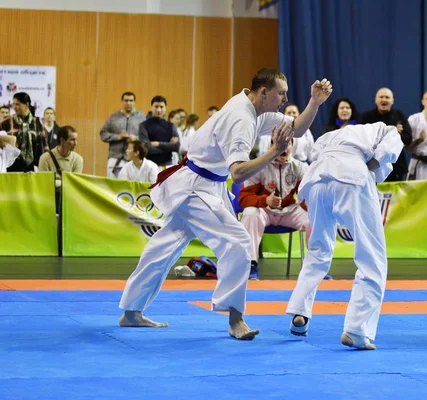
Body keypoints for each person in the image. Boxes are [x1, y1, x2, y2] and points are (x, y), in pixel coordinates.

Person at [118, 68, 332, 341]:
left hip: (204, 181)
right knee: (239, 242)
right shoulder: (241, 119)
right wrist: (274, 151)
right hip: (198, 187)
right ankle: (235, 318)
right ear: (264, 92)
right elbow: (239, 173)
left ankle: (132, 311)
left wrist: (314, 102)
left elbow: (296, 130)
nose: (285, 98)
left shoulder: (255, 107)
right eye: (281, 93)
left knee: (166, 245)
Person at [286, 122, 403, 350]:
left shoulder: (331, 135)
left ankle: (299, 313)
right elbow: (390, 148)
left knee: (318, 249)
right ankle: (357, 329)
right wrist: (368, 165)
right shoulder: (383, 128)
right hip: (351, 175)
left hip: (317, 180)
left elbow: (315, 154)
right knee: (372, 255)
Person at [239, 138, 311, 280]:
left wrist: (311, 207)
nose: (284, 147)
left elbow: (307, 198)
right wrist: (265, 200)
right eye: (278, 144)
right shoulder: (258, 166)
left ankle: (317, 268)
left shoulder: (300, 167)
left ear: (292, 146)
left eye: (287, 144)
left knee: (315, 218)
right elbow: (243, 198)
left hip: (289, 210)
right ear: (271, 146)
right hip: (264, 210)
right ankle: (250, 266)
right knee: (250, 213)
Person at [361, 87, 412, 181]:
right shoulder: (366, 117)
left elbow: (408, 139)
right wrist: (393, 131)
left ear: (392, 100)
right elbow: (362, 140)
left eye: (387, 97)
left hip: (396, 167)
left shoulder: (399, 115)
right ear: (375, 100)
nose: (384, 99)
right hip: (372, 167)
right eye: (381, 97)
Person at [100, 92, 146, 178]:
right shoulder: (113, 117)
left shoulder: (142, 118)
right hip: (115, 157)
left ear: (134, 102)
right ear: (122, 101)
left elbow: (146, 138)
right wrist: (117, 137)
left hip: (134, 159)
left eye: (131, 100)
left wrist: (135, 138)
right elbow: (103, 134)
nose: (128, 103)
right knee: (111, 186)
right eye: (126, 100)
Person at [0, 92, 44, 172]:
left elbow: (43, 146)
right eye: (13, 104)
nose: (14, 107)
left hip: (32, 167)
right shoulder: (6, 122)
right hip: (11, 166)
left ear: (26, 105)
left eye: (18, 104)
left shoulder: (37, 122)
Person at [138, 96, 180, 167]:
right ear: (151, 107)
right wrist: (168, 147)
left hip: (167, 164)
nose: (159, 110)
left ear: (165, 108)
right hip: (148, 165)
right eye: (156, 106)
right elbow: (147, 148)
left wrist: (158, 144)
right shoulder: (143, 125)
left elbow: (177, 147)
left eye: (161, 107)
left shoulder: (171, 126)